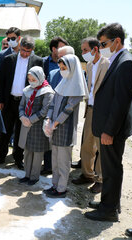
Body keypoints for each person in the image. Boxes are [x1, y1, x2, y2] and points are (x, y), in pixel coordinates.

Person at [85, 23, 132, 222]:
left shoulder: (127, 63)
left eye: (104, 43)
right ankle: (110, 203)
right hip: (107, 127)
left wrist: (109, 131)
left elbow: (121, 102)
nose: (102, 46)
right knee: (108, 169)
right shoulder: (115, 59)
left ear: (117, 41)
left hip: (112, 130)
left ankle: (108, 210)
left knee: (112, 170)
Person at [0, 36, 43, 169]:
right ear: (19, 47)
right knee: (5, 130)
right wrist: (0, 100)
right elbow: (1, 81)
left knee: (21, 132)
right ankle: (0, 156)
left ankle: (18, 158)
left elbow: (40, 83)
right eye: (23, 50)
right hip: (9, 101)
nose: (25, 53)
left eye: (28, 51)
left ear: (33, 50)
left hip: (25, 103)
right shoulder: (9, 60)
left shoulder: (37, 61)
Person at [43, 54, 88, 198]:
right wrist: (48, 119)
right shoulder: (62, 84)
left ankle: (61, 189)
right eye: (61, 68)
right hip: (54, 129)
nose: (62, 71)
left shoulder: (77, 89)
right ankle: (55, 185)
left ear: (73, 68)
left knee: (63, 161)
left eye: (65, 68)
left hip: (65, 130)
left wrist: (54, 123)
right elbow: (53, 103)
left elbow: (68, 109)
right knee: (55, 159)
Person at [71, 37, 109, 193]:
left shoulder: (107, 64)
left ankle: (100, 179)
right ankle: (87, 174)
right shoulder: (89, 65)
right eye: (82, 50)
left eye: (85, 50)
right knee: (87, 145)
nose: (83, 53)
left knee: (101, 147)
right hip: (90, 109)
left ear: (96, 49)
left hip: (103, 111)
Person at [40, 45, 75, 176]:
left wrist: (56, 121)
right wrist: (49, 117)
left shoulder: (76, 76)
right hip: (51, 114)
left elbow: (71, 106)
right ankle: (48, 167)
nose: (58, 59)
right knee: (51, 147)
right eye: (58, 57)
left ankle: (61, 181)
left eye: (62, 57)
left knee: (62, 153)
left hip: (65, 122)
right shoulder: (54, 73)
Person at [18, 66, 54, 185]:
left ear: (40, 77)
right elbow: (21, 106)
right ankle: (27, 174)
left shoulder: (47, 92)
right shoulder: (27, 90)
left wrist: (31, 120)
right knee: (27, 150)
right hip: (26, 124)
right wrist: (22, 116)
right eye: (29, 79)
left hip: (38, 126)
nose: (31, 81)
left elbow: (45, 110)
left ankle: (34, 177)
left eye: (34, 79)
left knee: (37, 152)